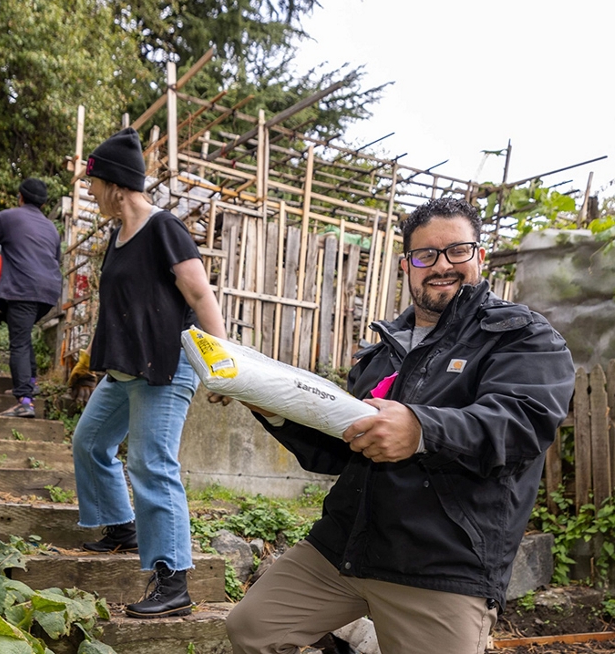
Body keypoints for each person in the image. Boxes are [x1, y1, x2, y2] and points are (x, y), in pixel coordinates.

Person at [225, 197, 575, 654]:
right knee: (252, 629)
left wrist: (421, 429)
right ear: (406, 265)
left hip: (441, 565)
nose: (441, 265)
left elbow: (521, 424)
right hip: (344, 547)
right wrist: (271, 407)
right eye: (425, 255)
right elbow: (338, 453)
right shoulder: (381, 353)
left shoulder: (523, 337)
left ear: (479, 256)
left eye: (457, 251)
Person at [69, 127, 226, 619]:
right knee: (90, 442)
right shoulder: (118, 234)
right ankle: (121, 525)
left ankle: (172, 579)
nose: (90, 191)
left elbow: (201, 295)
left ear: (115, 183)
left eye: (93, 182)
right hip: (125, 369)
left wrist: (221, 367)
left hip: (166, 366)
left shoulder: (164, 228)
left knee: (152, 465)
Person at [0, 178, 62, 418]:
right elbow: (55, 258)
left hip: (23, 289)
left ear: (20, 197)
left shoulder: (7, 217)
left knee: (18, 342)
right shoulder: (51, 228)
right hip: (49, 292)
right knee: (23, 334)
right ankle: (30, 382)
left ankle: (24, 401)